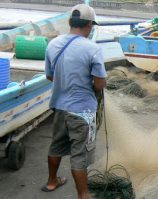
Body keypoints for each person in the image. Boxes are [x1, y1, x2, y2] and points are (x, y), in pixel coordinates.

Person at [42, 4, 107, 199]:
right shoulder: (93, 49)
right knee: (80, 155)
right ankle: (83, 195)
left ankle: (52, 181)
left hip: (59, 107)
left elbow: (50, 76)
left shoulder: (53, 44)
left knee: (56, 146)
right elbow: (100, 83)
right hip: (82, 111)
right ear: (89, 25)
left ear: (71, 22)